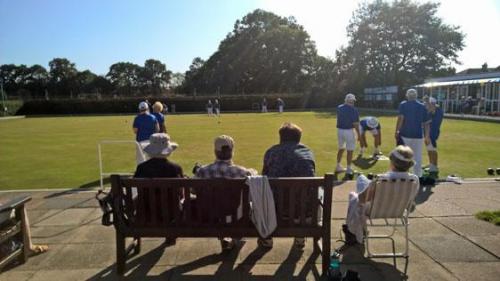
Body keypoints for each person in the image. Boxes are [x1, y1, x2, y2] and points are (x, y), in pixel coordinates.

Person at [343, 145, 419, 245]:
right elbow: (411, 202)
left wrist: (357, 194)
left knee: (354, 195)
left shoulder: (381, 179)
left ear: (392, 162)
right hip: (399, 211)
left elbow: (362, 199)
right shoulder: (414, 179)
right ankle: (359, 230)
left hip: (375, 211)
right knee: (362, 180)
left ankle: (355, 231)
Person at [195, 135, 257, 251]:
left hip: (210, 214)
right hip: (235, 215)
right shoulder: (241, 172)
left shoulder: (203, 171)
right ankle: (235, 237)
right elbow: (253, 186)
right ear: (232, 151)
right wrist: (252, 171)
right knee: (244, 205)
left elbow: (193, 190)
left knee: (220, 206)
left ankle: (226, 238)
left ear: (215, 151)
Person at [260, 122, 315, 248]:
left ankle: (266, 238)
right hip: (304, 213)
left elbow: (264, 177)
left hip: (275, 212)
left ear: (281, 137)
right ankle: (300, 236)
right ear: (298, 138)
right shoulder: (308, 152)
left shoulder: (271, 152)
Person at [134, 133, 182, 245]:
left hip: (146, 211)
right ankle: (170, 235)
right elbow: (180, 192)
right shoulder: (175, 168)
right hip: (172, 213)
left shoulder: (141, 168)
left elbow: (138, 188)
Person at [395, 89, 431, 177]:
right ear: (416, 96)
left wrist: (396, 131)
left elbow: (401, 119)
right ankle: (418, 177)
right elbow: (426, 123)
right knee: (417, 157)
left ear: (407, 96)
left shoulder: (403, 105)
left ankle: (403, 175)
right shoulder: (422, 106)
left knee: (404, 156)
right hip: (418, 135)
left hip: (405, 134)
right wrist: (427, 136)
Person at [336, 93, 360, 175]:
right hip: (348, 131)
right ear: (352, 101)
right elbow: (355, 124)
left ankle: (338, 166)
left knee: (341, 148)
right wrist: (359, 135)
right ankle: (349, 168)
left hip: (339, 131)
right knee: (350, 150)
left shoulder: (339, 108)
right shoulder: (354, 110)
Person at [425, 97, 444, 175]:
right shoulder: (433, 110)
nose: (426, 106)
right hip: (427, 133)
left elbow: (433, 122)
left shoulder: (438, 111)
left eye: (428, 104)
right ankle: (431, 164)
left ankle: (434, 166)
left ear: (432, 104)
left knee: (432, 149)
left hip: (432, 133)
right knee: (429, 149)